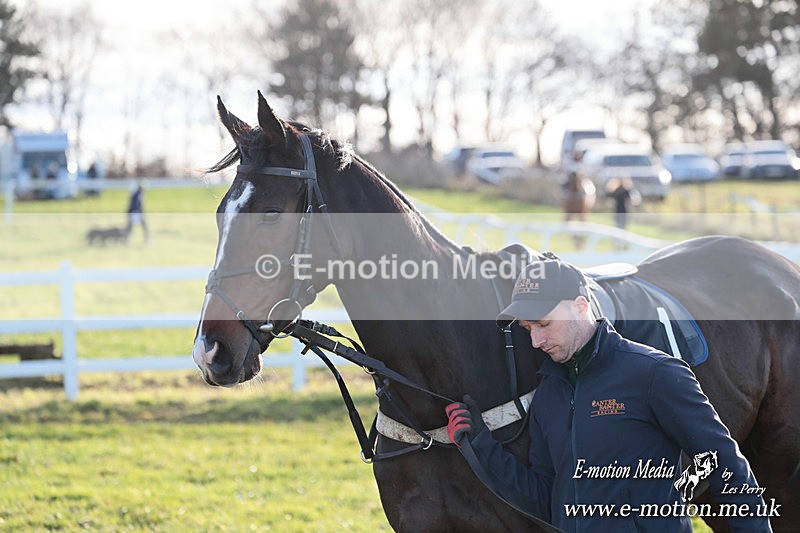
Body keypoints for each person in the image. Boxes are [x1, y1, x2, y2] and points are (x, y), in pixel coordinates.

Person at [445, 259, 771, 532]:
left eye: (544, 324)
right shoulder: (549, 395)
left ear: (581, 306)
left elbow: (725, 465)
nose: (536, 341)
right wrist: (481, 445)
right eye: (528, 329)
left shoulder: (654, 373)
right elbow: (546, 498)